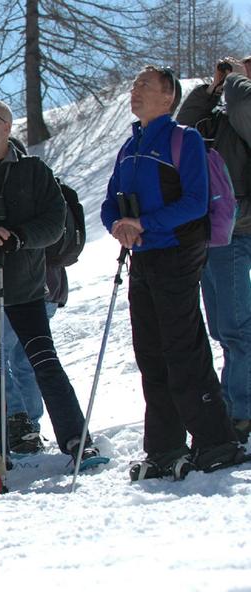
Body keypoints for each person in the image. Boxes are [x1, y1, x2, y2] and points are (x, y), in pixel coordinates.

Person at [0, 99, 103, 470]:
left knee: (45, 364)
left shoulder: (34, 171)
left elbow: (55, 222)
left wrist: (17, 237)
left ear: (7, 127)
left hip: (27, 289)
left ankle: (78, 442)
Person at [102, 66, 246, 480]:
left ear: (168, 97)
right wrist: (119, 224)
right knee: (150, 351)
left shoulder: (185, 139)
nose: (136, 91)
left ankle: (215, 441)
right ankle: (164, 448)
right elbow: (110, 203)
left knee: (182, 347)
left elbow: (195, 203)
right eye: (133, 85)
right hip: (142, 256)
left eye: (145, 85)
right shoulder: (130, 147)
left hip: (179, 253)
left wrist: (143, 223)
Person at [176, 57, 251, 444]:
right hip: (214, 233)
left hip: (239, 231)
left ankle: (241, 412)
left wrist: (237, 81)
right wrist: (211, 89)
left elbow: (244, 108)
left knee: (238, 329)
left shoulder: (243, 107)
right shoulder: (222, 112)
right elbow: (182, 124)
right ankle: (232, 405)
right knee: (223, 328)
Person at [3, 262, 67, 454]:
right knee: (27, 362)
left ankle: (18, 422)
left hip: (20, 290)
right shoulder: (47, 230)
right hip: (51, 288)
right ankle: (29, 427)